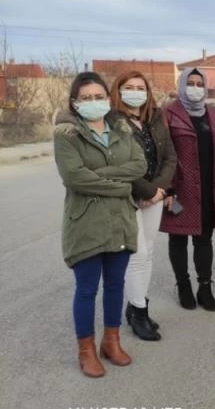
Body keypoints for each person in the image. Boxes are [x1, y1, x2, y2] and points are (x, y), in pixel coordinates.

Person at [54, 72, 146, 378]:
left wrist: (102, 175)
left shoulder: (121, 128)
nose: (94, 103)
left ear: (108, 99)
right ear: (75, 102)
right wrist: (120, 186)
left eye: (99, 97)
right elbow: (74, 177)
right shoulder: (66, 134)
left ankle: (111, 341)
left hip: (120, 220)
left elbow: (139, 166)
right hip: (87, 222)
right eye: (86, 98)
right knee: (86, 289)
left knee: (116, 284)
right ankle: (86, 350)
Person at [161, 68, 215, 312]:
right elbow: (162, 152)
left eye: (199, 83)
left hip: (208, 189)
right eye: (190, 83)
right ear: (182, 85)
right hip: (178, 189)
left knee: (204, 240)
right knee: (178, 238)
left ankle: (205, 287)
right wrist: (166, 188)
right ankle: (183, 285)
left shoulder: (213, 113)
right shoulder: (169, 113)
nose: (195, 87)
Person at [110, 71, 176, 342]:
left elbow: (170, 156)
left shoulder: (155, 117)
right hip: (128, 197)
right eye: (129, 87)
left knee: (148, 253)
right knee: (136, 257)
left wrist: (159, 190)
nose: (135, 92)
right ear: (118, 91)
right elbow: (116, 162)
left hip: (155, 196)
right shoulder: (111, 121)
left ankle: (138, 305)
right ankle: (138, 313)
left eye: (140, 87)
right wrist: (149, 191)